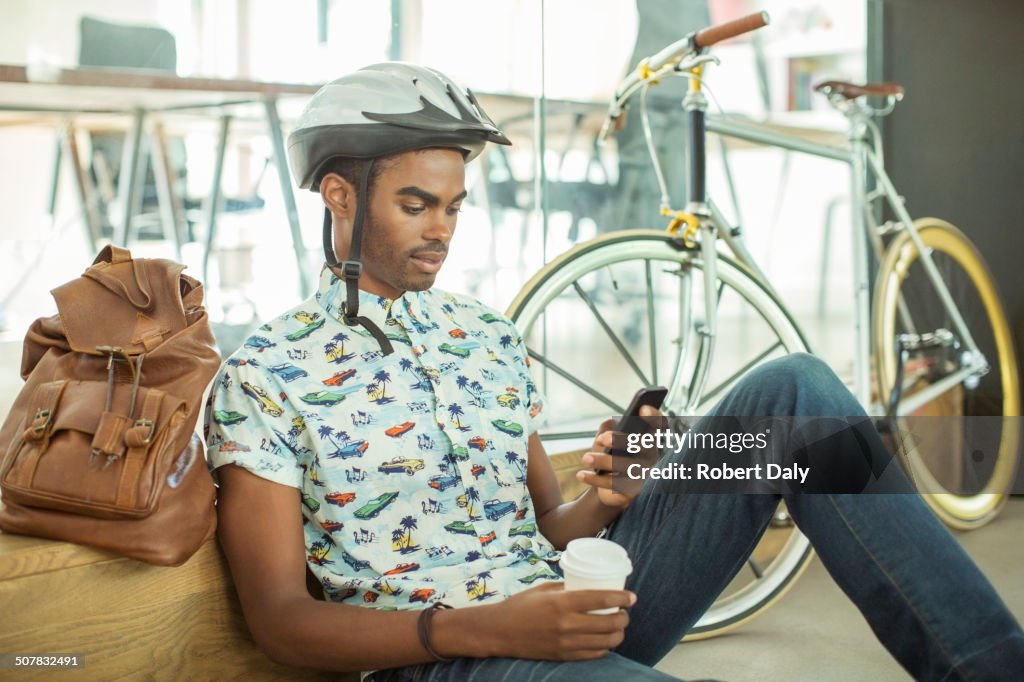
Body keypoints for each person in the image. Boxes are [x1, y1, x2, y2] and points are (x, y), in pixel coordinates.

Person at [205, 62, 1024, 681]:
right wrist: (485, 630)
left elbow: (545, 533)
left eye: (454, 207)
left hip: (569, 609)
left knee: (799, 392)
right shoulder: (270, 375)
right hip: (444, 660)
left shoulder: (486, 337)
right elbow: (280, 621)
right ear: (340, 197)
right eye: (415, 205)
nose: (442, 231)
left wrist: (607, 496)